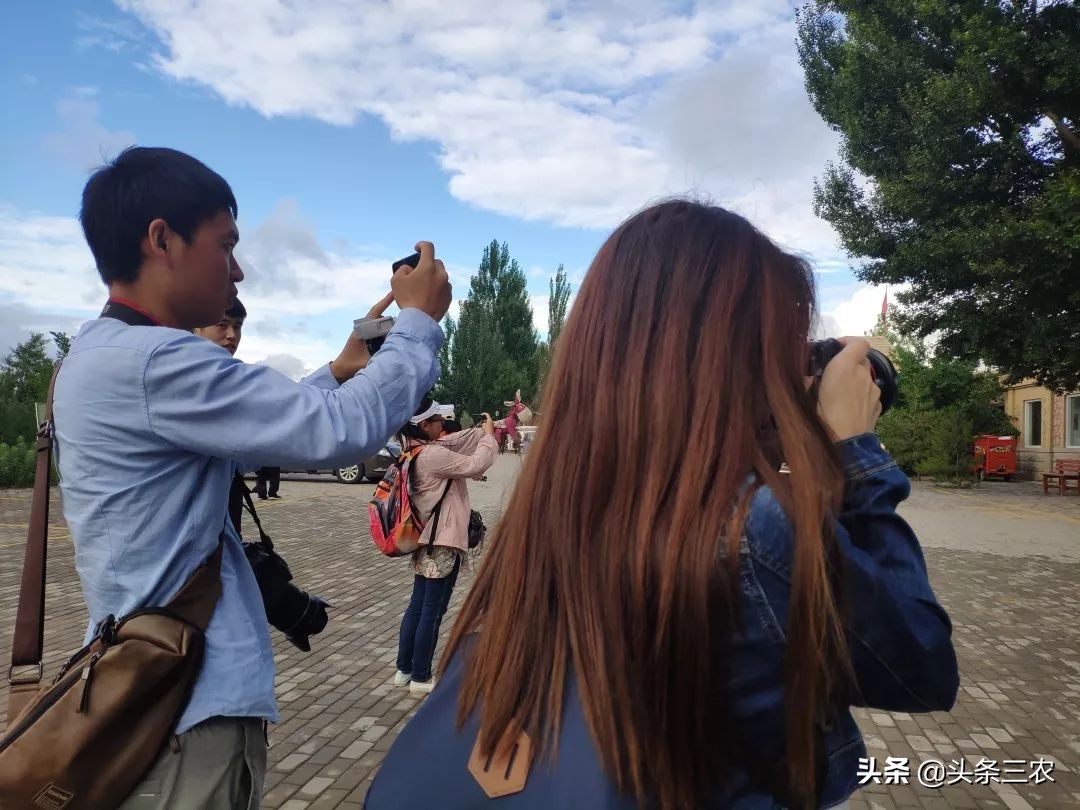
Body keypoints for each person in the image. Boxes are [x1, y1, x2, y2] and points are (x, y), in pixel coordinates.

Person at [367, 200, 958, 810]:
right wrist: (854, 452)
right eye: (779, 346)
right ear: (731, 361)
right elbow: (920, 666)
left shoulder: (561, 499)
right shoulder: (754, 529)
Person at [53, 146, 451, 809]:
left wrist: (341, 369)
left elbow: (259, 435)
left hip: (155, 693)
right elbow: (335, 432)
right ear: (162, 240)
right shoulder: (155, 362)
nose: (237, 269)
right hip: (187, 709)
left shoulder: (100, 357)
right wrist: (417, 325)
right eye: (226, 243)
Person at [393, 398, 498, 696]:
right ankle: (421, 676)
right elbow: (477, 463)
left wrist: (482, 430)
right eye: (437, 419)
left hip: (424, 539)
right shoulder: (431, 456)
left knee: (417, 606)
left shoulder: (411, 451)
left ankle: (405, 669)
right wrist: (489, 438)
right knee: (432, 611)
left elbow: (455, 442)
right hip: (441, 542)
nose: (442, 423)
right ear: (424, 425)